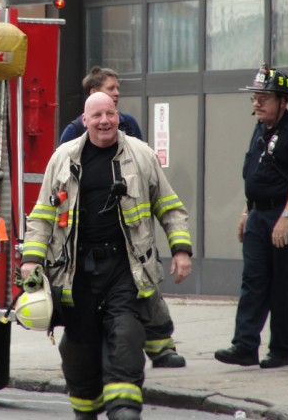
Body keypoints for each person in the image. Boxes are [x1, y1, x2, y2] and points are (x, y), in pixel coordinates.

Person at [21, 92, 193, 420]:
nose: (105, 121)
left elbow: (170, 206)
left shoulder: (141, 155)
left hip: (125, 269)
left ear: (118, 116)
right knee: (79, 349)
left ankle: (124, 409)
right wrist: (32, 260)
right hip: (76, 274)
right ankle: (86, 409)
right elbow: (42, 216)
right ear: (84, 121)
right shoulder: (63, 158)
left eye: (110, 114)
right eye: (97, 115)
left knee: (127, 335)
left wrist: (181, 250)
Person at [59, 66, 184, 369]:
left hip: (130, 239)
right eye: (111, 88)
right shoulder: (71, 139)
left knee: (146, 292)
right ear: (92, 98)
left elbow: (146, 174)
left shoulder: (128, 125)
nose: (117, 94)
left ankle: (160, 346)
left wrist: (181, 247)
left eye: (116, 93)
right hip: (87, 249)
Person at [214, 64, 288, 370]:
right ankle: (245, 346)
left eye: (264, 97)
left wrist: (285, 217)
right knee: (253, 280)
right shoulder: (260, 129)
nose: (257, 103)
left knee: (282, 285)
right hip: (258, 214)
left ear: (282, 101)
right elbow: (255, 174)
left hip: (286, 217)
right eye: (255, 97)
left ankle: (281, 350)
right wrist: (247, 211)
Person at [59, 66, 142, 143]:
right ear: (93, 92)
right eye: (111, 88)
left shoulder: (129, 123)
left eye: (118, 88)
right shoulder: (74, 130)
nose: (117, 93)